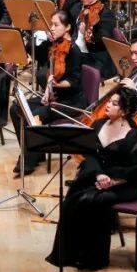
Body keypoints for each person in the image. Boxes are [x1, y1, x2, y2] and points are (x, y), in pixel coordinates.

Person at [46, 88, 137, 272]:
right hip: (97, 175)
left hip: (123, 184)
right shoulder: (99, 124)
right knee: (73, 196)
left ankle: (94, 259)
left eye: (114, 104)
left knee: (94, 201)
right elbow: (89, 153)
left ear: (124, 111)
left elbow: (134, 169)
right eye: (109, 101)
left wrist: (112, 181)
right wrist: (99, 175)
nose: (107, 105)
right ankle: (69, 254)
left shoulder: (133, 135)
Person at [15, 10, 88, 176]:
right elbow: (35, 53)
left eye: (56, 25)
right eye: (51, 24)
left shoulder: (74, 51)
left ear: (67, 27)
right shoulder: (54, 45)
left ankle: (28, 160)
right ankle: (36, 151)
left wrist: (56, 84)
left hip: (71, 102)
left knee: (36, 115)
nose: (52, 28)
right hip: (53, 97)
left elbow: (74, 82)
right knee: (16, 108)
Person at [74, 0, 117, 76]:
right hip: (75, 52)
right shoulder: (77, 8)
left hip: (94, 56)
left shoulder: (105, 14)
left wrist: (89, 33)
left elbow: (104, 40)